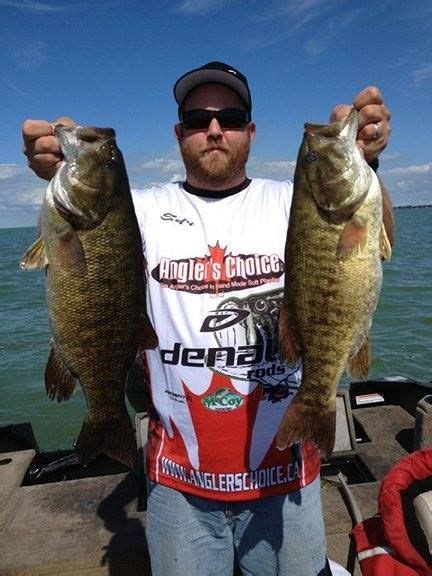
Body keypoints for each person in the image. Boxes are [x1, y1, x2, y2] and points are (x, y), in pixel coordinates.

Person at [22, 61, 392, 576]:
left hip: (284, 473)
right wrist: (57, 163)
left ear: (250, 131)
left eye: (231, 116)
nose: (214, 129)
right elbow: (91, 219)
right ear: (179, 133)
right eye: (197, 118)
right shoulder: (140, 210)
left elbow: (364, 234)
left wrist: (365, 162)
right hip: (178, 484)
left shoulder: (293, 201)